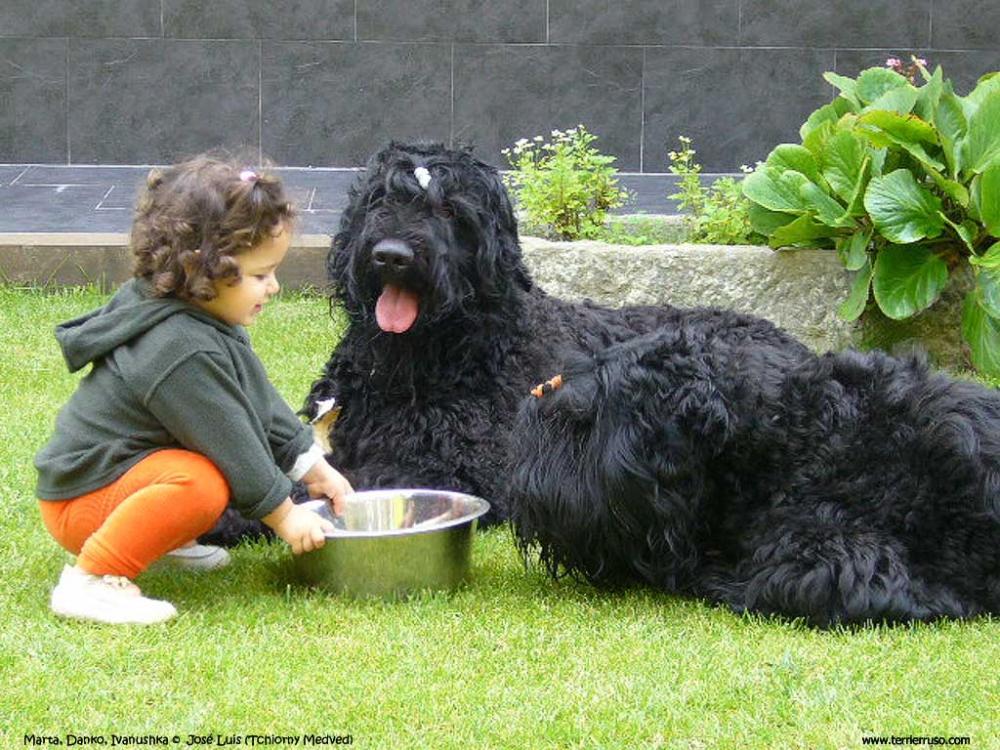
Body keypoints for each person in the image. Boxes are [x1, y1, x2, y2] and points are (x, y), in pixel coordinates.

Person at [34, 154, 353, 625]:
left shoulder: (204, 319)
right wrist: (286, 516)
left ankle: (164, 537)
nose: (274, 287)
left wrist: (314, 467)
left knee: (204, 475)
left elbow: (259, 403)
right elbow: (234, 441)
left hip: (121, 482)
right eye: (260, 275)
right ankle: (92, 579)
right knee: (201, 484)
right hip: (81, 502)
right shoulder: (178, 347)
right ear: (203, 269)